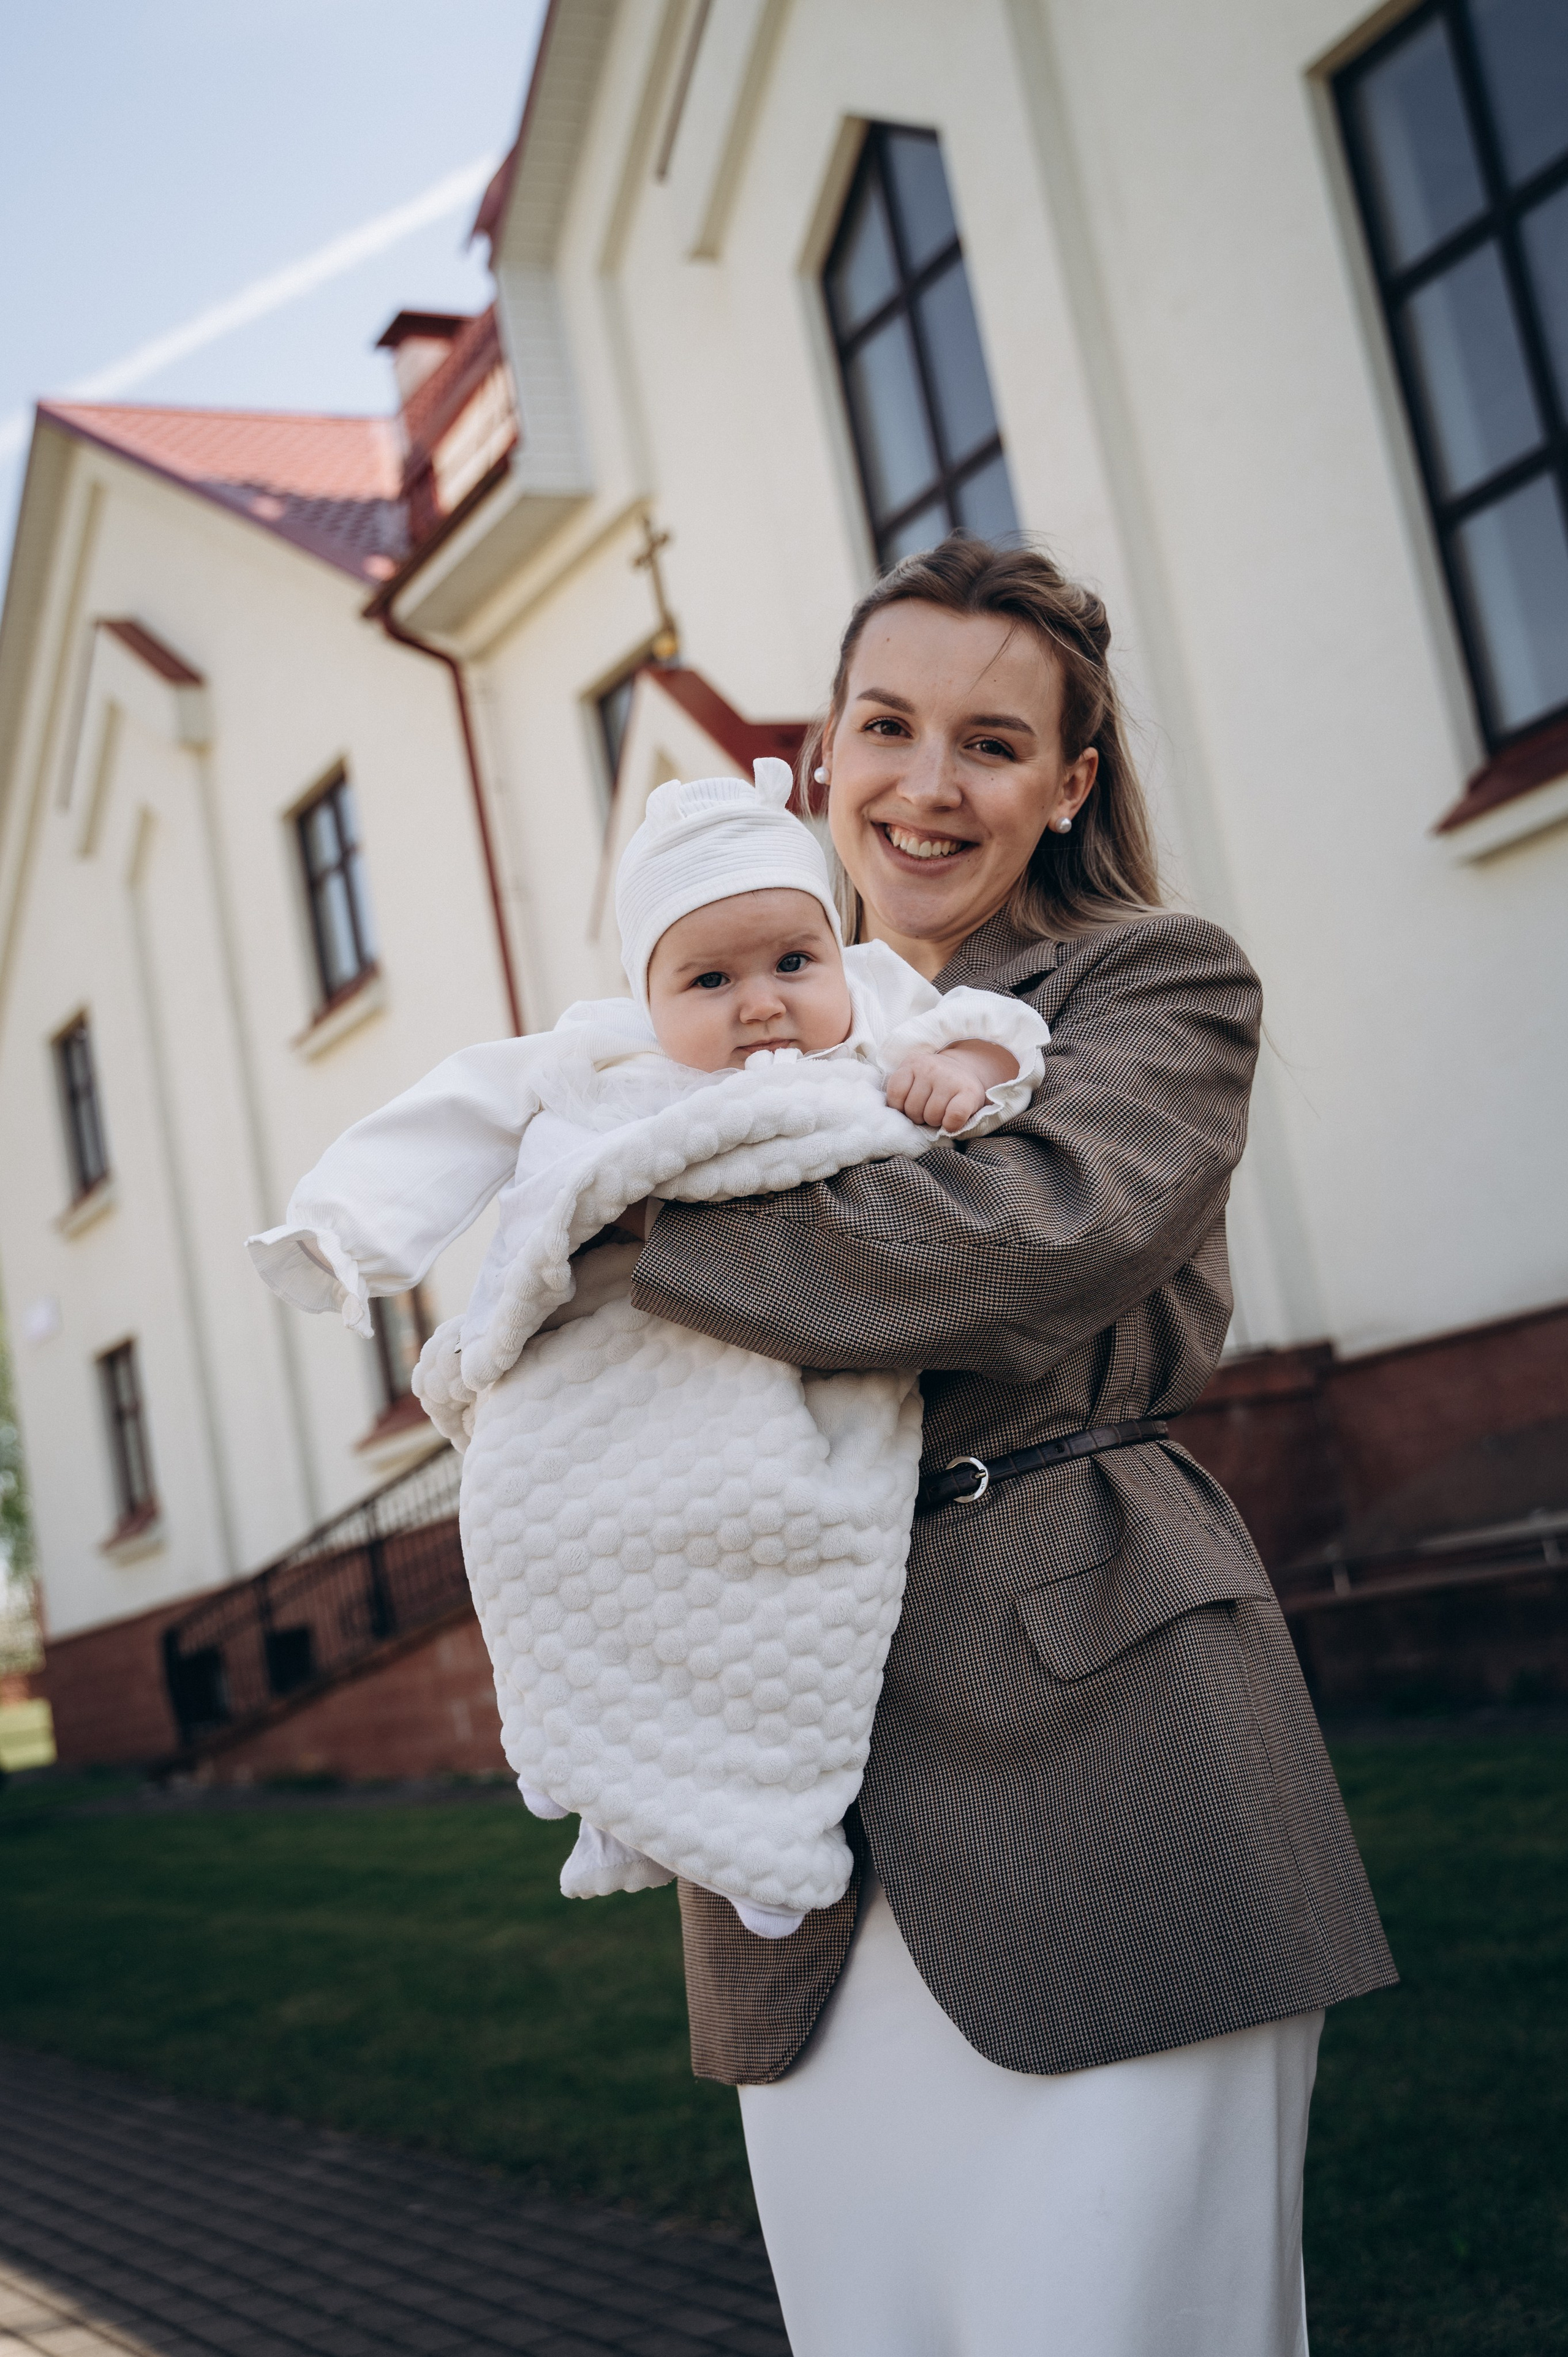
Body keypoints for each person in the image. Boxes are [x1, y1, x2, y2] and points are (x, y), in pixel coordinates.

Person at [612, 536, 1396, 2357]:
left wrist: (617, 1244)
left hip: (1104, 1745)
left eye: (991, 741)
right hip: (794, 1816)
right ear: (823, 763)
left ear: (1069, 784)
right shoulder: (719, 1039)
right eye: (886, 726)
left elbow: (1007, 1242)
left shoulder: (1154, 986)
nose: (928, 784)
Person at [247, 761, 1047, 1939]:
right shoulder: (602, 1057)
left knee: (788, 1528)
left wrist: (965, 1070)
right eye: (709, 979)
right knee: (527, 1517)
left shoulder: (876, 1011)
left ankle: (761, 1819)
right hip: (604, 1349)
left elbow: (1000, 1030)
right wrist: (343, 1229)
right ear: (645, 992)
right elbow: (456, 1113)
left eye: (792, 962)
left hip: (782, 1357)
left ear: (837, 952)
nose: (764, 1002)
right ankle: (597, 1769)